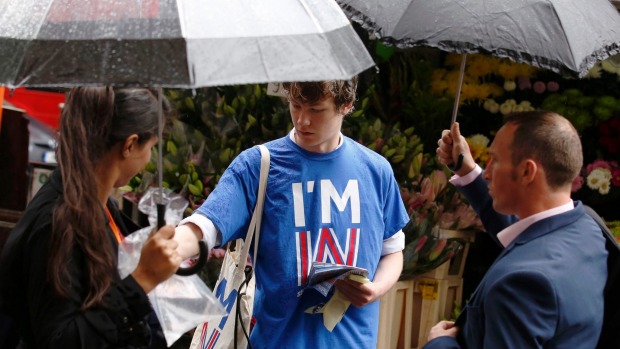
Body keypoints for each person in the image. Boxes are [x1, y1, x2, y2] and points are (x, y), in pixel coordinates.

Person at [174, 78, 410, 348]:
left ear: (346, 105)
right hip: (277, 340)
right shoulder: (258, 165)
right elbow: (207, 224)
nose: (302, 120)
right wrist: (171, 246)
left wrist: (376, 289)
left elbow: (391, 249)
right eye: (295, 106)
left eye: (316, 110)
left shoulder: (376, 170)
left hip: (356, 341)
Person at [0, 87, 183, 348]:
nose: (149, 159)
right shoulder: (58, 222)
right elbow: (61, 340)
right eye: (151, 147)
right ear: (130, 145)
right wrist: (142, 279)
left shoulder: (100, 205)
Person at [425, 111, 608, 348]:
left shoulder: (522, 283)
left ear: (527, 171)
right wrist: (468, 171)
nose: (487, 172)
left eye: (495, 160)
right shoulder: (586, 229)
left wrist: (440, 344)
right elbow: (527, 236)